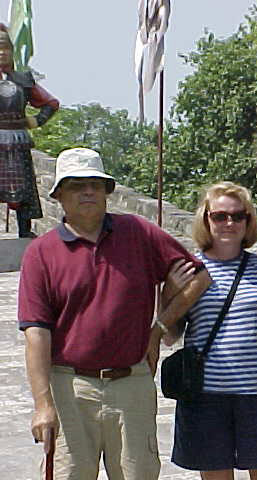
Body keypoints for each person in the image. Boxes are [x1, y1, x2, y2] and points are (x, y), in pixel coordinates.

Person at [18, 147, 211, 479]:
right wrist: (43, 404)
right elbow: (36, 332)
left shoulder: (137, 233)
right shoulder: (41, 253)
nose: (88, 192)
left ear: (107, 191)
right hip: (69, 387)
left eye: (95, 184)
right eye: (77, 186)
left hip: (131, 384)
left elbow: (199, 277)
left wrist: (158, 329)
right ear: (59, 195)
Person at [165, 181, 257, 480]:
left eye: (239, 216)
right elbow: (170, 335)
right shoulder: (191, 270)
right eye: (220, 216)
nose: (230, 223)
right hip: (206, 396)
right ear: (205, 219)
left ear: (248, 222)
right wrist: (169, 293)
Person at [0, 23, 59, 238]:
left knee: (22, 187)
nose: (1, 53)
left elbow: (51, 103)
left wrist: (34, 121)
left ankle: (25, 230)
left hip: (17, 140)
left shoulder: (22, 80)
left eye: (5, 48)